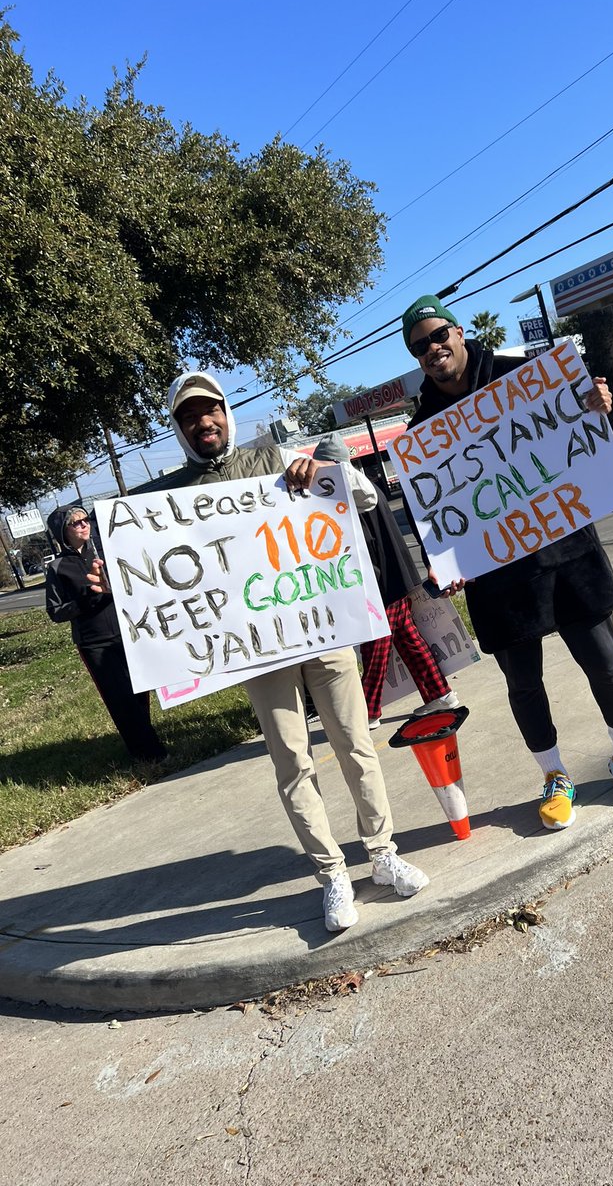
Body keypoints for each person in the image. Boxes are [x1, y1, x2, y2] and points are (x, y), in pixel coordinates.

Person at [101, 371, 428, 932]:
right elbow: (137, 553)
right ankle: (332, 876)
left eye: (211, 411)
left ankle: (381, 856)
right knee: (293, 763)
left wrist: (330, 470)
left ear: (226, 414)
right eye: (189, 417)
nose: (204, 423)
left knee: (356, 746)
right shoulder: (166, 495)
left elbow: (366, 499)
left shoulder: (275, 457)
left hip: (322, 629)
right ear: (179, 429)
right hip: (257, 650)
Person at [400, 294, 613, 830]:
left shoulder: (527, 377)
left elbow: (582, 423)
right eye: (419, 346)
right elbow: (435, 513)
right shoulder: (421, 433)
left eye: (438, 335)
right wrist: (441, 563)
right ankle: (554, 775)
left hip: (567, 550)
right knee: (524, 684)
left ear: (458, 331)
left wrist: (596, 403)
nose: (432, 349)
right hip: (497, 576)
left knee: (604, 662)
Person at [312, 433, 459, 729]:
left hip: (379, 583)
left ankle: (368, 710)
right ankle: (440, 694)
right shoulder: (368, 487)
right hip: (396, 577)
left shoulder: (349, 493)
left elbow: (365, 543)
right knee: (406, 638)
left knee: (376, 645)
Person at [45, 504, 169, 763]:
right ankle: (148, 754)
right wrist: (87, 599)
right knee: (119, 698)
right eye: (76, 522)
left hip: (126, 632)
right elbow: (56, 611)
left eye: (85, 519)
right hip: (94, 642)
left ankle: (146, 743)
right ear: (62, 532)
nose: (83, 525)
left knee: (138, 693)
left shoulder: (106, 552)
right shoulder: (58, 568)